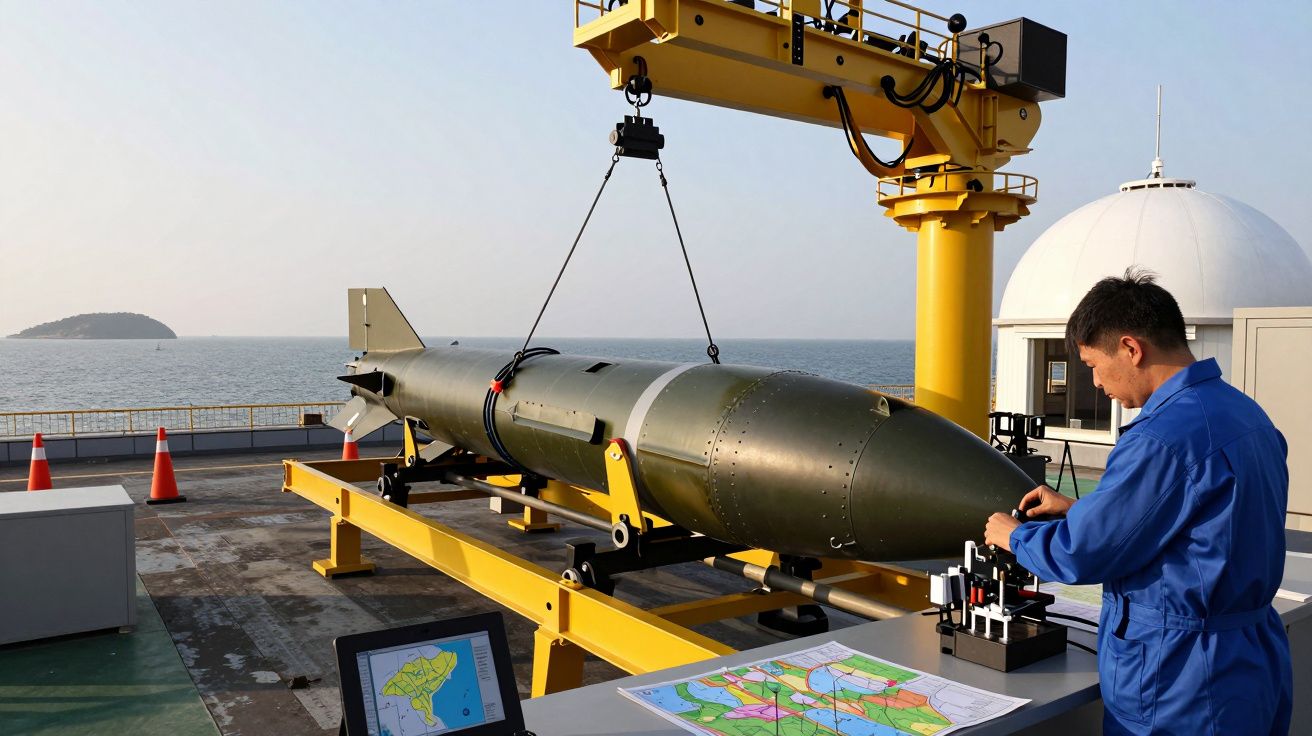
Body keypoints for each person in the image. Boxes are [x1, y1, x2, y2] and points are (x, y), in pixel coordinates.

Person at [983, 269, 1292, 735]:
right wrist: (1078, 508)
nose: (1098, 383)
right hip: (1251, 662)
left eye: (1092, 364)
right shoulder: (1246, 414)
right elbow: (1205, 523)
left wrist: (1014, 535)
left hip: (1180, 683)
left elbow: (1083, 553)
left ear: (1131, 348)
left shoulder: (1161, 438)